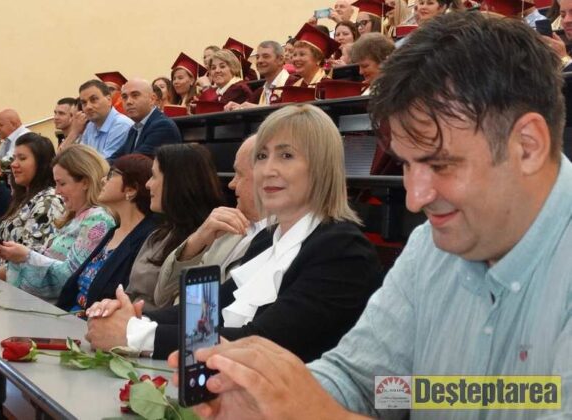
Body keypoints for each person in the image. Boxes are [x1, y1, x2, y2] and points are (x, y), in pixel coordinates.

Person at [178, 13, 572, 419]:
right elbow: (370, 385)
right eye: (406, 164)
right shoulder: (429, 247)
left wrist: (324, 415)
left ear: (527, 146)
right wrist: (269, 398)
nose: (415, 199)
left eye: (440, 165)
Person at [86, 104, 381, 362]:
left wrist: (135, 334)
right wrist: (131, 315)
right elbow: (203, 313)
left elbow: (261, 342)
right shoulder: (267, 238)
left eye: (286, 155)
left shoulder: (343, 251)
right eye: (262, 156)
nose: (268, 170)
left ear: (321, 167)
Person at [106, 144, 225, 311]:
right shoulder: (159, 235)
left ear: (177, 182)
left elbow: (194, 313)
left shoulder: (213, 240)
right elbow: (129, 293)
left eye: (154, 176)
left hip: (154, 325)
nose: (148, 184)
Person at [152, 135, 264, 307]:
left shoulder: (283, 240)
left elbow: (201, 314)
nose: (231, 184)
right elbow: (163, 297)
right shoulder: (226, 230)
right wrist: (195, 243)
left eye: (239, 174)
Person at [0, 144, 114, 300]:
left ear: (85, 182)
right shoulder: (72, 218)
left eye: (62, 183)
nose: (57, 191)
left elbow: (71, 276)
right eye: (56, 183)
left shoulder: (98, 219)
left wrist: (26, 256)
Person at [56, 154, 158, 312]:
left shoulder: (146, 239)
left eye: (111, 175)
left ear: (131, 189)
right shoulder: (113, 232)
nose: (103, 180)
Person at [0, 133, 65, 274]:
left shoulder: (49, 201)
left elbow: (29, 261)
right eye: (14, 158)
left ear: (41, 164)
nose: (13, 164)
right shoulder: (21, 199)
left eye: (22, 158)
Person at [110, 79, 182, 160]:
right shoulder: (135, 128)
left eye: (135, 95)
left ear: (152, 99)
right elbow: (116, 157)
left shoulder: (162, 126)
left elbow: (136, 162)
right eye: (124, 97)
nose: (128, 102)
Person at [224, 41, 299, 110]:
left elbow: (294, 110)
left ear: (280, 60)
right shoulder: (259, 93)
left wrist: (258, 108)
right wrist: (238, 107)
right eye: (257, 57)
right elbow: (247, 107)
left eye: (265, 56)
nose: (259, 61)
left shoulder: (295, 85)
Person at [72, 80, 134, 160]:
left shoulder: (122, 125)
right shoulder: (90, 126)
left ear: (109, 100)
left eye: (94, 100)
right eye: (84, 103)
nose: (88, 107)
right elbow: (80, 158)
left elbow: (104, 163)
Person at [292, 24, 339, 88]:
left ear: (318, 59)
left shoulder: (329, 87)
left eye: (302, 54)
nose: (296, 59)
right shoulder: (294, 87)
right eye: (294, 55)